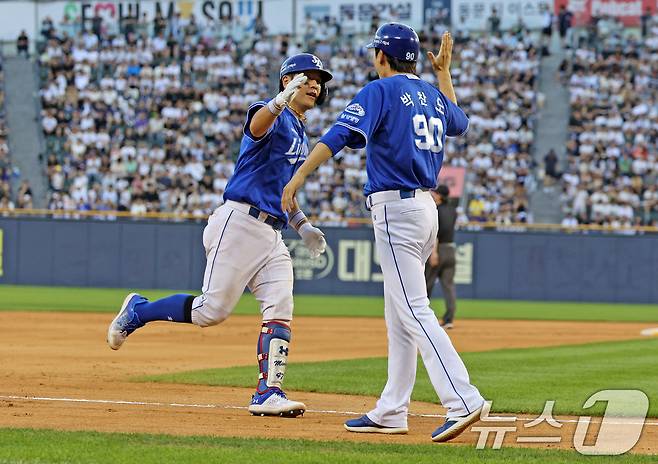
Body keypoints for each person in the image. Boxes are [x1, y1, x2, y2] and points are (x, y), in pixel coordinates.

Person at [281, 25, 485, 442]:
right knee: (399, 313)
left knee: (411, 309)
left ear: (380, 57)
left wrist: (298, 176)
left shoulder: (379, 91)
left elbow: (339, 136)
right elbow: (459, 122)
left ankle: (462, 398)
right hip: (425, 206)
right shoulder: (430, 91)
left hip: (397, 208)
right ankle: (392, 409)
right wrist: (444, 73)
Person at [107, 53, 333, 418]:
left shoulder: (301, 133)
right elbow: (257, 127)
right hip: (240, 222)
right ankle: (139, 310)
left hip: (271, 232)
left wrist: (302, 225)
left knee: (281, 304)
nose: (313, 84)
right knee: (211, 312)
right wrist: (278, 101)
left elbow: (283, 192)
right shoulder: (272, 113)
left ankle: (268, 392)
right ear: (285, 80)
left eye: (318, 80)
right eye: (305, 77)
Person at [424, 185, 457, 329]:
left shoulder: (436, 210)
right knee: (448, 286)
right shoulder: (453, 210)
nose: (433, 195)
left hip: (439, 248)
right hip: (451, 250)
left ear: (440, 196)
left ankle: (422, 317)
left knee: (427, 284)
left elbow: (437, 233)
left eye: (436, 193)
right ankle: (449, 319)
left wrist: (434, 252)